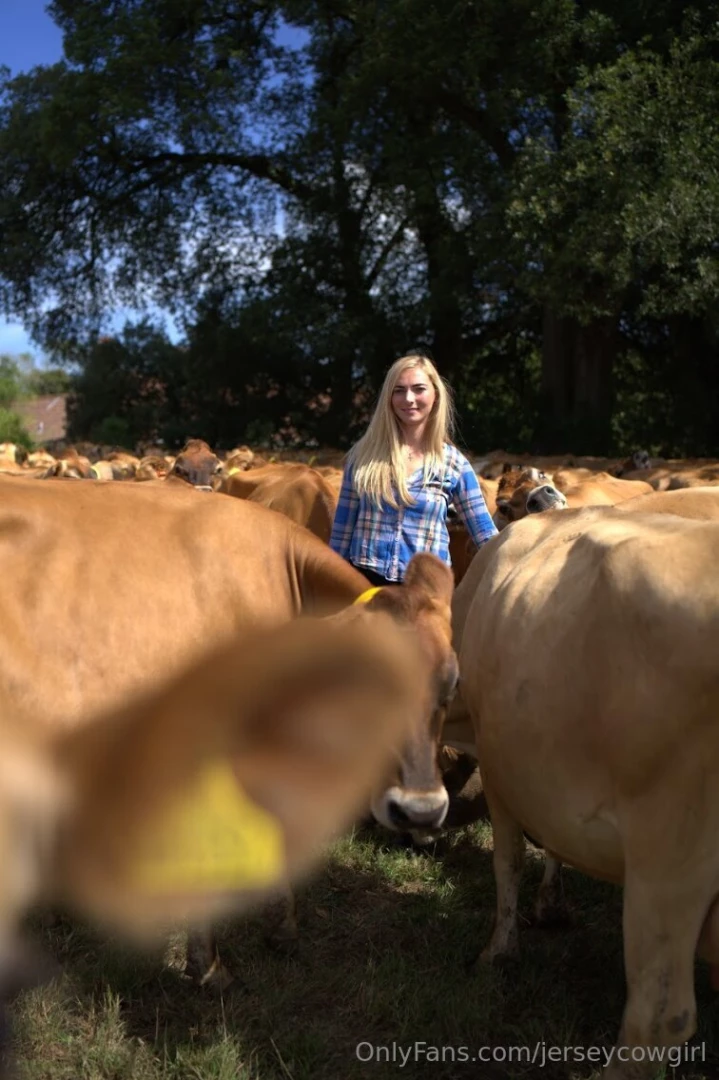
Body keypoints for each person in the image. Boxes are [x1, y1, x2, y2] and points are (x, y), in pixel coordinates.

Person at [329, 352, 498, 586]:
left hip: (426, 593)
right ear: (389, 398)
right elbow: (341, 534)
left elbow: (486, 537)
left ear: (435, 395)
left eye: (419, 389)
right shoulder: (363, 456)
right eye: (399, 390)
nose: (408, 399)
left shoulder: (454, 464)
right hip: (368, 589)